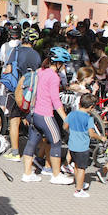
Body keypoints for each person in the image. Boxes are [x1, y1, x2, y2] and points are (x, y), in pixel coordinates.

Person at [20, 48, 71, 184]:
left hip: (33, 113)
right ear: (58, 63)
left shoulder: (40, 71)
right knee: (56, 142)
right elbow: (55, 101)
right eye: (64, 63)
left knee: (31, 142)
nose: (64, 66)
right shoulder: (54, 77)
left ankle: (27, 173)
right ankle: (56, 175)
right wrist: (66, 118)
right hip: (45, 114)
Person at [1, 29, 41, 159]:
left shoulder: (16, 51)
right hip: (31, 91)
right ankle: (34, 150)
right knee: (31, 119)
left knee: (14, 121)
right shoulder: (36, 55)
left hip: (15, 90)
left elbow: (8, 69)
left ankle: (15, 152)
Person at [66, 93, 104, 198]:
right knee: (82, 168)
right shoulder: (88, 118)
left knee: (76, 166)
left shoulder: (71, 114)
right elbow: (91, 134)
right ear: (91, 107)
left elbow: (65, 126)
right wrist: (101, 137)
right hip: (82, 147)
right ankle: (79, 190)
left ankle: (78, 183)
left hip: (72, 145)